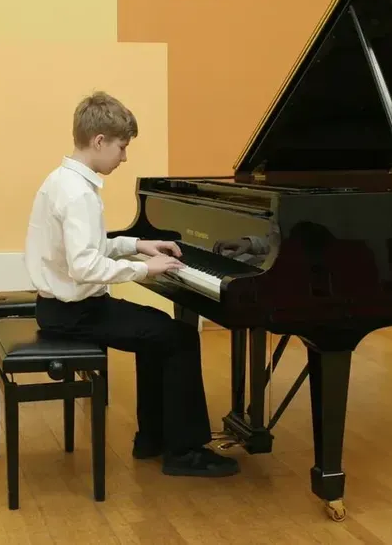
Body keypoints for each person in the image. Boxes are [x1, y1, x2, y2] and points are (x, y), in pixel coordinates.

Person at [23, 90, 240, 478]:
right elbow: (85, 266)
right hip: (74, 313)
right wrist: (144, 269)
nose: (124, 157)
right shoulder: (77, 194)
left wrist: (138, 245)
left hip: (61, 308)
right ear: (99, 141)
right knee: (178, 337)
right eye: (122, 147)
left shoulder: (63, 181)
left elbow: (90, 247)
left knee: (159, 332)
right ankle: (184, 452)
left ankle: (152, 438)